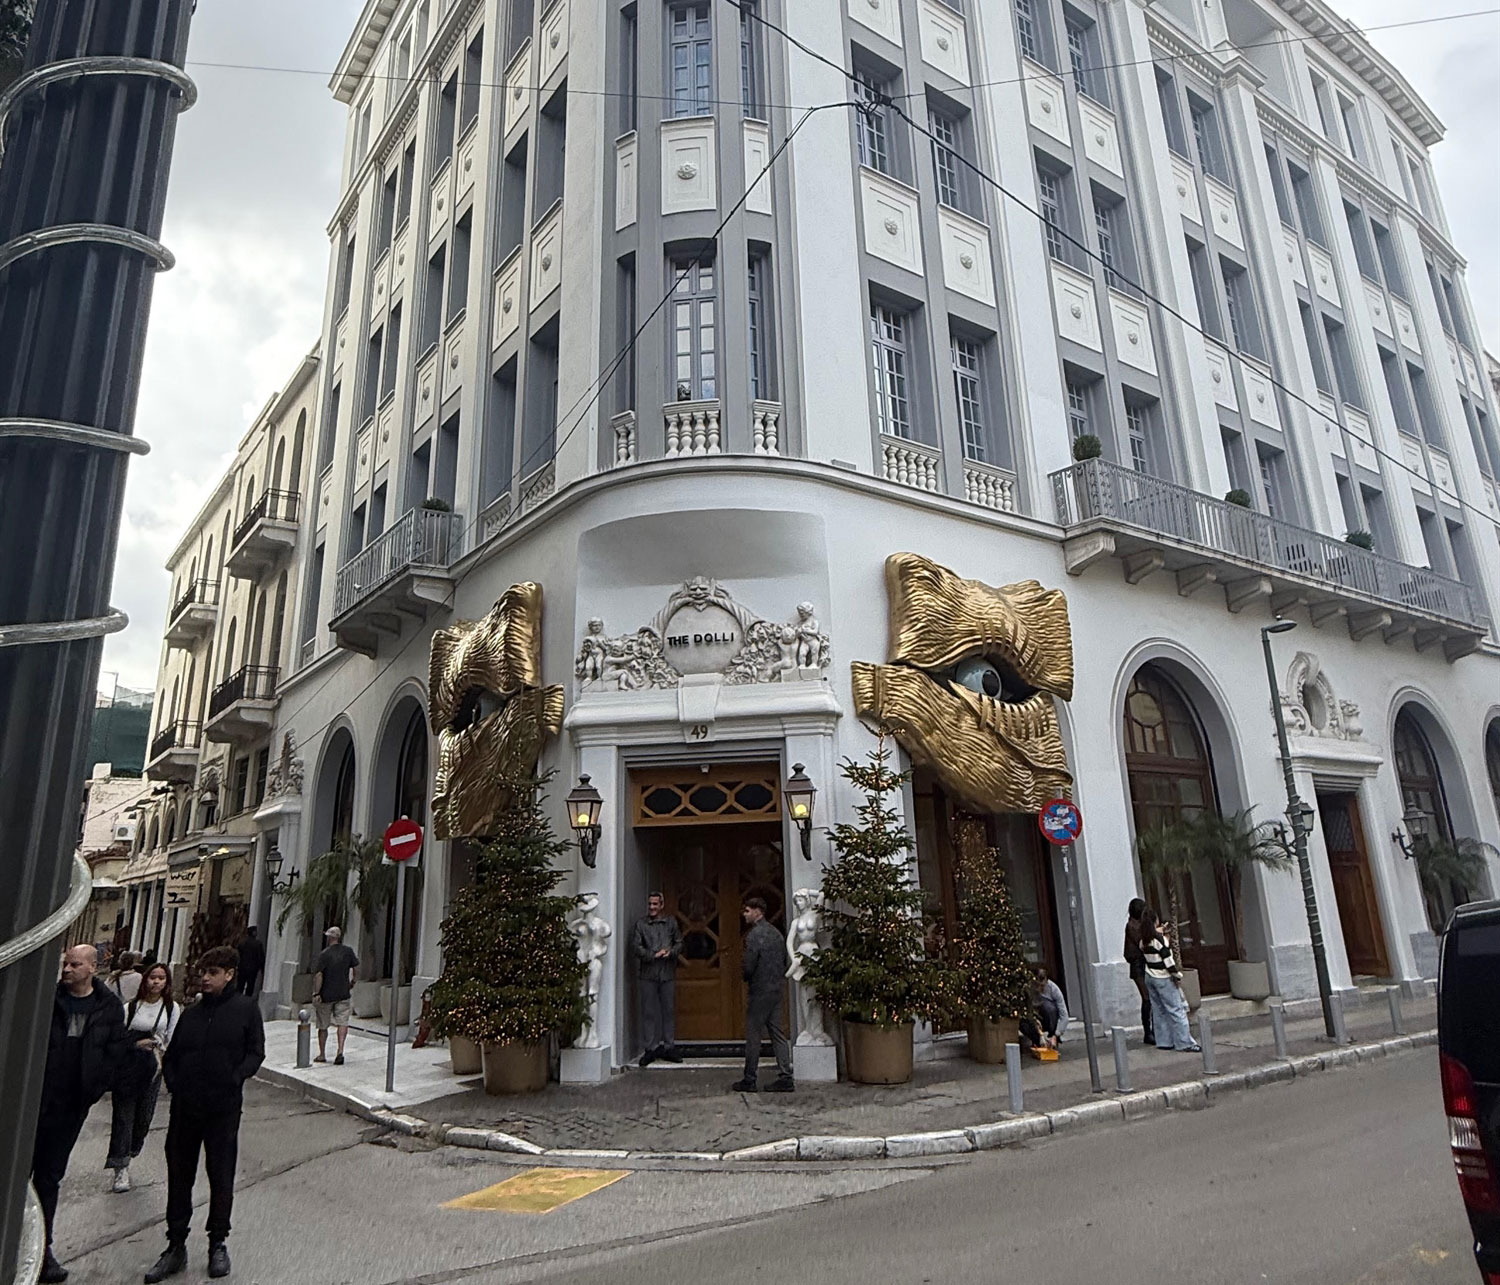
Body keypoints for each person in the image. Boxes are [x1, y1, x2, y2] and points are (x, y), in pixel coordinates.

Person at [144, 946, 265, 1282]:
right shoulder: (192, 1014)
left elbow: (256, 1052)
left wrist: (235, 1076)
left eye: (213, 972)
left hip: (223, 1109)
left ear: (229, 974)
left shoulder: (245, 1010)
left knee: (220, 1175)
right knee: (179, 1175)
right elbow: (173, 1055)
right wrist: (175, 1083)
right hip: (186, 1109)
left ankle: (218, 1242)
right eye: (203, 972)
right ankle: (175, 1245)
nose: (205, 978)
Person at [31, 945, 130, 1283]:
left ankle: (41, 1251)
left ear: (92, 967)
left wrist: (94, 1089)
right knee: (16, 1175)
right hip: (37, 1100)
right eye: (66, 964)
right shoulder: (49, 998)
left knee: (49, 1178)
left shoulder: (108, 1007)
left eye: (75, 964)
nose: (67, 969)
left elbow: (115, 1051)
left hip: (70, 1106)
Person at [106, 962, 178, 1193]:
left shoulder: (171, 1008)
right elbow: (116, 1037)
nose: (156, 982)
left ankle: (131, 1149)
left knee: (144, 1117)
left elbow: (172, 1038)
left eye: (161, 978)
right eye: (152, 977)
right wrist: (136, 1044)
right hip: (128, 1068)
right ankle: (121, 1166)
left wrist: (161, 1050)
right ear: (145, 979)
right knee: (124, 1117)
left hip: (153, 1069)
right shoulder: (130, 1007)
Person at [731, 897, 794, 1093]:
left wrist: (745, 975)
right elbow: (784, 960)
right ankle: (786, 1075)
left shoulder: (754, 936)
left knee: (753, 1035)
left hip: (759, 990)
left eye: (747, 911)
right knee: (777, 1033)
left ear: (758, 912)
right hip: (776, 988)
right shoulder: (776, 934)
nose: (745, 914)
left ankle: (749, 1078)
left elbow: (749, 965)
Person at [630, 892, 682, 1067]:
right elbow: (636, 947)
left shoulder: (670, 923)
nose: (652, 907)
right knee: (648, 1011)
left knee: (668, 1010)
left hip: (667, 973)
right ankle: (650, 1048)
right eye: (650, 904)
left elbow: (679, 942)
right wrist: (653, 955)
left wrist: (671, 952)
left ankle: (669, 1046)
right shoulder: (641, 925)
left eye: (655, 904)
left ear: (661, 905)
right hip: (648, 974)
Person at [1139, 910, 1201, 1053]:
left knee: (1159, 1010)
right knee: (1176, 1009)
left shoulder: (1143, 941)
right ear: (1155, 922)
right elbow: (1168, 961)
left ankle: (1164, 1041)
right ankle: (1185, 1043)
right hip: (1163, 977)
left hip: (1150, 977)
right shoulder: (1160, 940)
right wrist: (1176, 975)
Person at [311, 926, 358, 1065]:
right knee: (342, 1022)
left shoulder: (324, 954)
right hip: (343, 993)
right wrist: (353, 981)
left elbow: (319, 975)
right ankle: (340, 1050)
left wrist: (317, 992)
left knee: (323, 1025)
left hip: (326, 994)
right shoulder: (348, 951)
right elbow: (355, 967)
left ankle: (322, 1054)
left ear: (330, 938)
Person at [1124, 899, 1155, 1046]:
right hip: (1138, 965)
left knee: (1149, 998)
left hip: (1143, 963)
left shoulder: (1137, 924)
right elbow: (1142, 941)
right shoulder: (1132, 926)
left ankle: (1152, 1030)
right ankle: (1148, 1032)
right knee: (1147, 997)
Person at [1030, 965, 1070, 1051]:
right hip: (1035, 1017)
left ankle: (1052, 1038)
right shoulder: (1029, 989)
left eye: (1042, 986)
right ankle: (1037, 1040)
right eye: (1037, 985)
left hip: (1048, 1018)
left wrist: (1056, 1034)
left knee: (1049, 1008)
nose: (1039, 988)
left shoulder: (1054, 989)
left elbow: (1064, 1016)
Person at [234, 927, 264, 999]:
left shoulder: (242, 943)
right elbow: (261, 957)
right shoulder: (258, 944)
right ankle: (247, 999)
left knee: (240, 985)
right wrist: (262, 968)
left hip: (242, 968)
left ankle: (238, 998)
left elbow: (238, 955)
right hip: (253, 969)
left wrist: (237, 966)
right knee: (250, 985)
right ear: (254, 933)